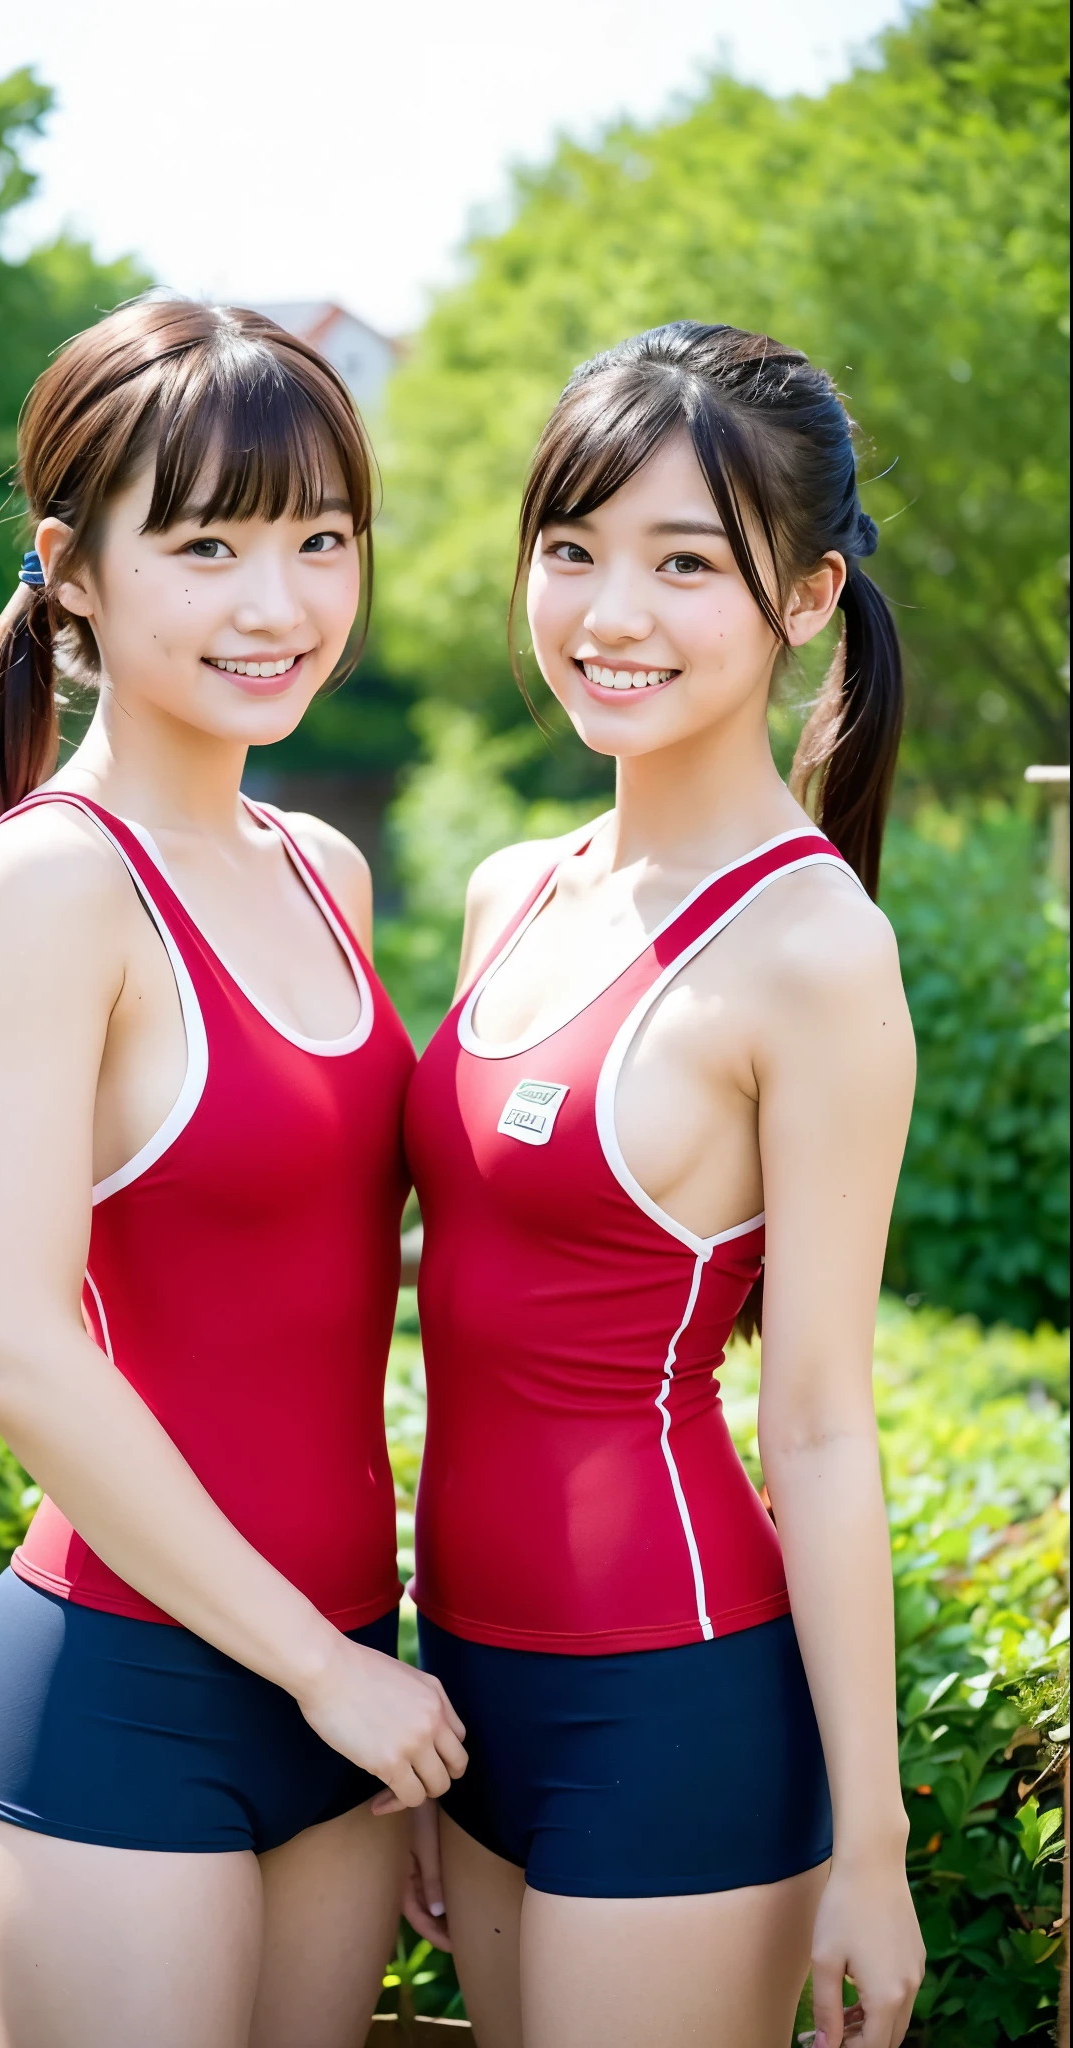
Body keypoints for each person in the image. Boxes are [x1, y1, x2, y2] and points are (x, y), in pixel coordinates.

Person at [0, 296, 466, 2048]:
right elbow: (12, 1349)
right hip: (128, 1688)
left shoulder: (323, 868)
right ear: (71, 570)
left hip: (351, 1678)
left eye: (318, 539)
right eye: (206, 545)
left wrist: (385, 1676)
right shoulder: (55, 882)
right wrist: (323, 1672)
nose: (276, 602)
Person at [402, 323, 926, 2048]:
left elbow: (826, 1429)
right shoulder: (509, 891)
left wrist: (874, 1844)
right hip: (461, 1686)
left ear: (804, 597)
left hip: (679, 1701)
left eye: (682, 561)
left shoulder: (815, 952)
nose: (608, 613)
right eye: (572, 549)